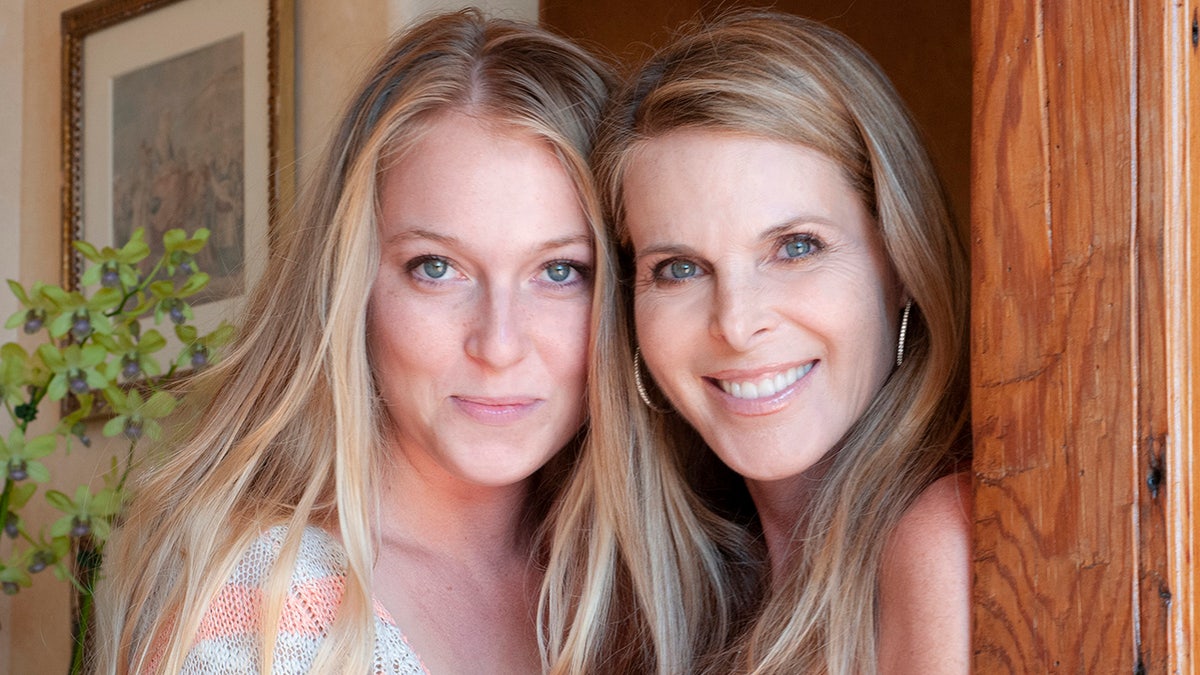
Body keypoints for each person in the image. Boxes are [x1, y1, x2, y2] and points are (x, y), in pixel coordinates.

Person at [94, 10, 620, 673]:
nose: (500, 343)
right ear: (352, 286)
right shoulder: (267, 615)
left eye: (560, 270)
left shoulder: (655, 586)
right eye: (436, 267)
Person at [594, 10, 972, 674]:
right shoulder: (691, 587)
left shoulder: (943, 538)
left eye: (796, 247)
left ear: (902, 262)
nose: (737, 325)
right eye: (679, 268)